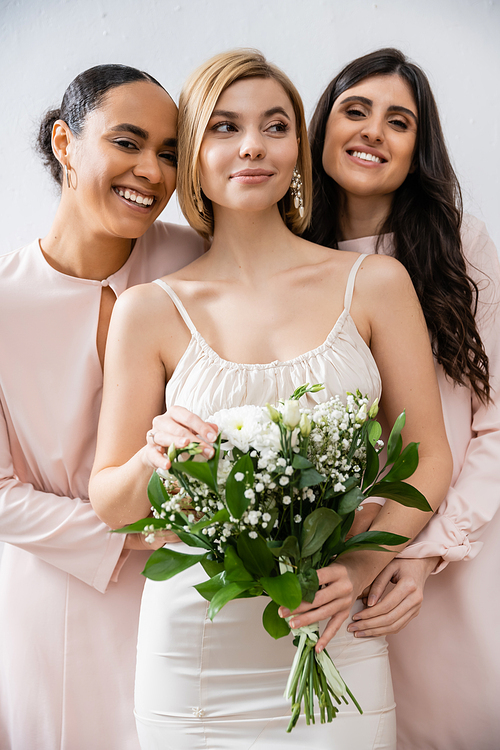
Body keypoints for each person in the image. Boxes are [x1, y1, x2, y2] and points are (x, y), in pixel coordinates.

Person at [89, 49, 452, 749]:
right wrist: (153, 458)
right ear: (192, 154)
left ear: (298, 151)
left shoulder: (374, 284)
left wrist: (358, 567)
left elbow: (428, 458)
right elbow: (112, 501)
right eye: (224, 127)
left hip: (333, 640)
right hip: (192, 658)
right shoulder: (148, 310)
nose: (252, 144)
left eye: (274, 126)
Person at [0, 64, 204, 750]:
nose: (151, 170)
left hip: (199, 589)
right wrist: (129, 535)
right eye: (128, 142)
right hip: (61, 597)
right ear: (65, 143)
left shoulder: (198, 260)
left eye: (170, 153)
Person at [306, 48, 500, 750]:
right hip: (328, 568)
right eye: (355, 110)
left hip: (452, 557)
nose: (372, 132)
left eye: (399, 122)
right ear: (321, 123)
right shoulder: (285, 254)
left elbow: (495, 423)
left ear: (418, 148)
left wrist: (427, 553)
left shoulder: (459, 248)